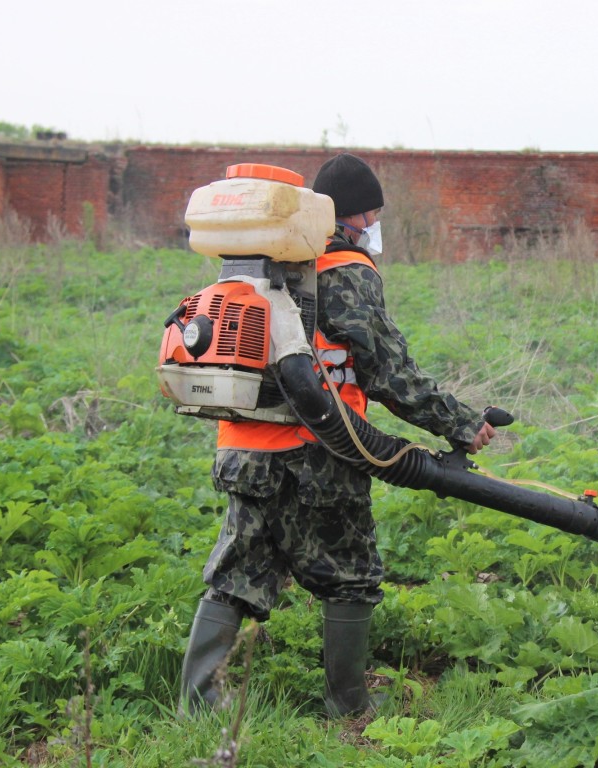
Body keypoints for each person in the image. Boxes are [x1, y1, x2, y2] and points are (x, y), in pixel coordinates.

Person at [180, 152, 496, 717]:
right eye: (369, 216)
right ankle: (348, 706)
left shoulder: (257, 264)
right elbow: (389, 374)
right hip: (322, 453)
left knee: (236, 574)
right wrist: (464, 424)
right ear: (347, 218)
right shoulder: (347, 270)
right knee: (350, 575)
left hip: (243, 450)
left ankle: (198, 707)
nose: (371, 229)